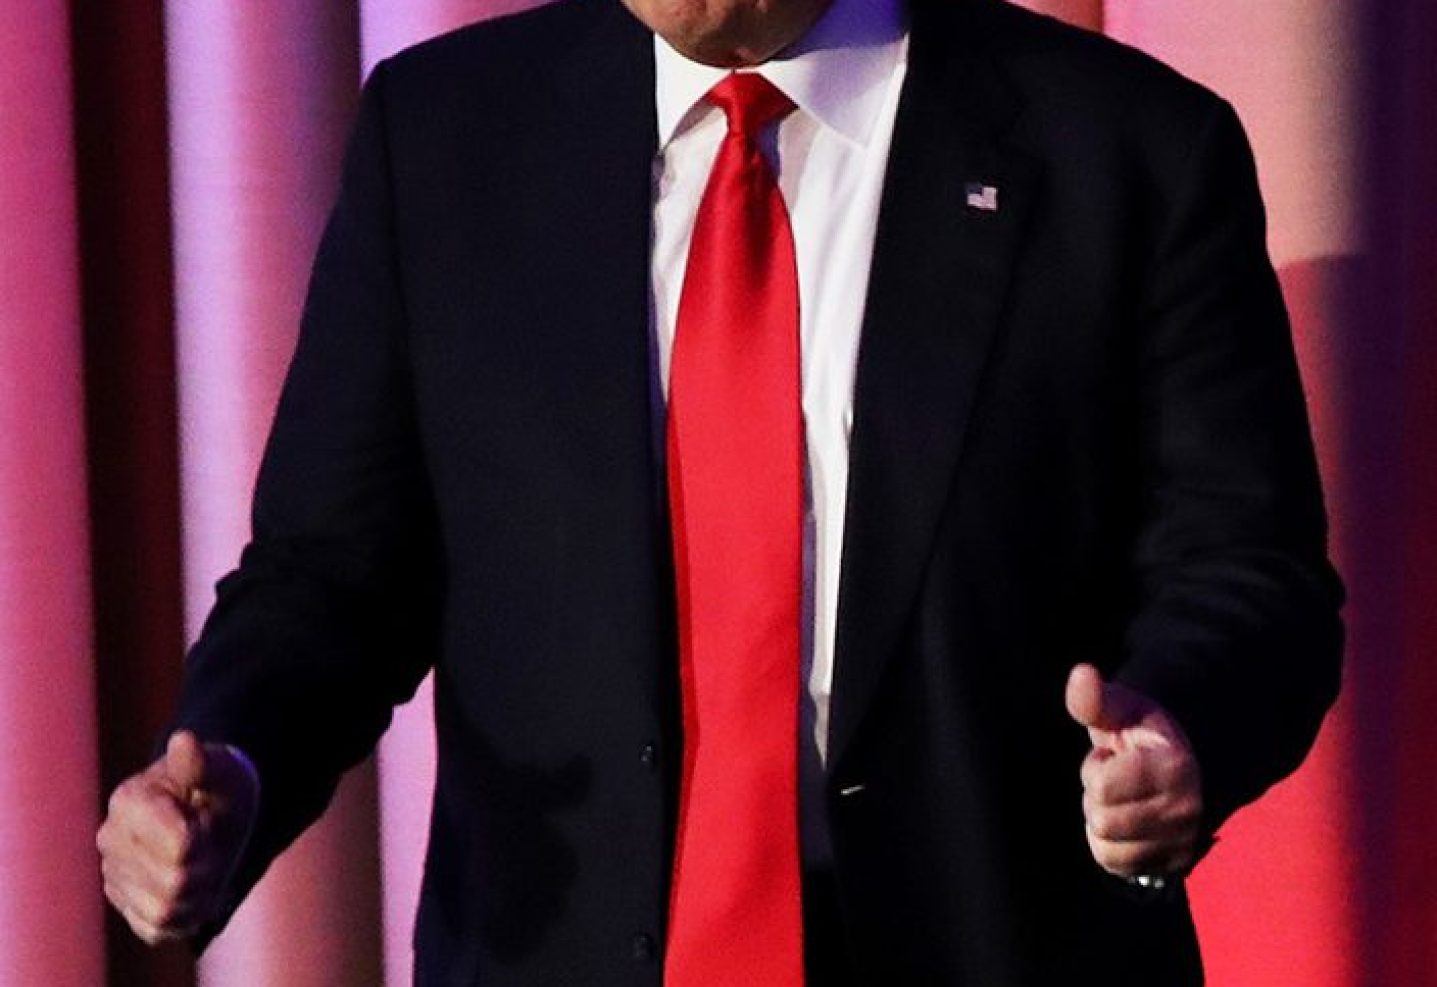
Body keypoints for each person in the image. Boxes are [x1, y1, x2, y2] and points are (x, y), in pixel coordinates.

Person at [96, 0, 1344, 983]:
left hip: (991, 941)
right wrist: (233, 767)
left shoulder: (1126, 150)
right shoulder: (446, 138)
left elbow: (1252, 571)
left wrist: (1183, 727)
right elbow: (333, 572)